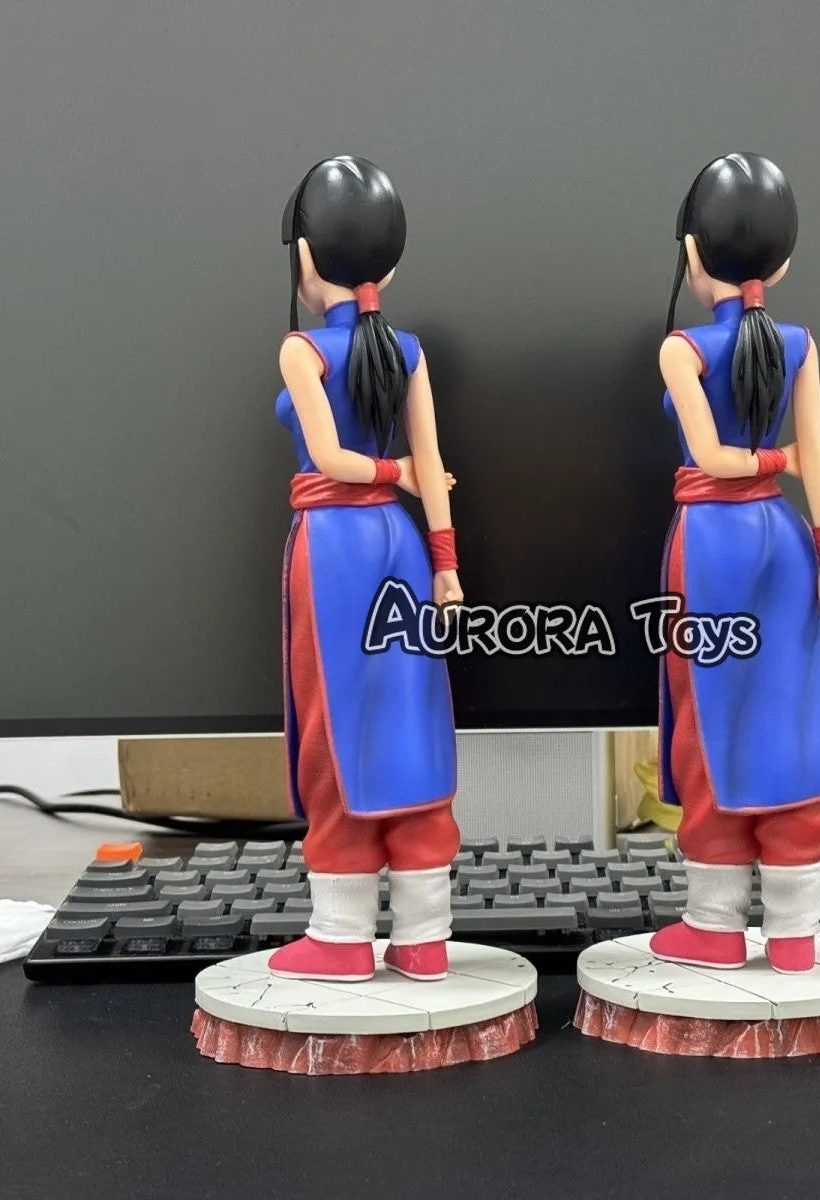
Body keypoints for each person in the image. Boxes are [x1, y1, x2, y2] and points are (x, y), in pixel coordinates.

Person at [649, 154, 820, 975]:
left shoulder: (683, 350)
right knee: (790, 717)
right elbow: (813, 459)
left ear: (692, 253)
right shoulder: (800, 345)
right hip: (786, 540)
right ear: (784, 262)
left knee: (712, 718)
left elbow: (712, 458)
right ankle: (795, 932)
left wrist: (776, 462)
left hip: (713, 546)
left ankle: (716, 923)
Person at [272, 156, 462, 984]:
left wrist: (393, 476)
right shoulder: (408, 352)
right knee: (409, 716)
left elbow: (330, 459)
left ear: (305, 257)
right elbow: (431, 466)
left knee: (335, 724)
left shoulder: (302, 352)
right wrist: (445, 561)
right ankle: (424, 937)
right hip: (401, 544)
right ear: (389, 266)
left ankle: (342, 935)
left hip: (336, 549)